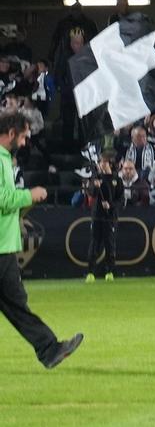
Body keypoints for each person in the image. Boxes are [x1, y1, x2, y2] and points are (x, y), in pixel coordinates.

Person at [0, 110, 83, 368]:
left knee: (16, 305)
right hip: (0, 248)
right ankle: (49, 349)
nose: (25, 143)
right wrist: (29, 194)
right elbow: (2, 200)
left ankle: (49, 349)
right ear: (11, 133)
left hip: (4, 244)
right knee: (16, 304)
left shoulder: (5, 159)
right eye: (23, 137)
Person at [83, 160, 122, 283]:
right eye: (100, 162)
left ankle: (109, 271)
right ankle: (90, 272)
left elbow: (120, 199)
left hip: (110, 217)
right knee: (94, 243)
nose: (101, 164)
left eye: (104, 162)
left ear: (110, 164)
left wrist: (110, 205)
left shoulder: (117, 179)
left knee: (109, 244)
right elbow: (91, 193)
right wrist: (95, 186)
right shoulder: (96, 178)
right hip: (97, 216)